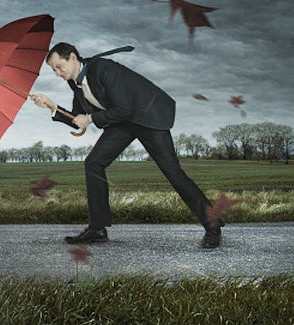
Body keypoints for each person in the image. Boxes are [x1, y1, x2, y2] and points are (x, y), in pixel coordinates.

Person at [31, 42, 223, 248]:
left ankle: (213, 227)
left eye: (59, 67)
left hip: (147, 116)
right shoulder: (74, 82)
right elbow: (77, 118)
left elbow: (122, 108)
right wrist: (51, 106)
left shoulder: (103, 68)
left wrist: (90, 118)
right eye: (53, 70)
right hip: (122, 122)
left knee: (173, 173)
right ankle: (97, 229)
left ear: (72, 57)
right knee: (93, 163)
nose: (58, 73)